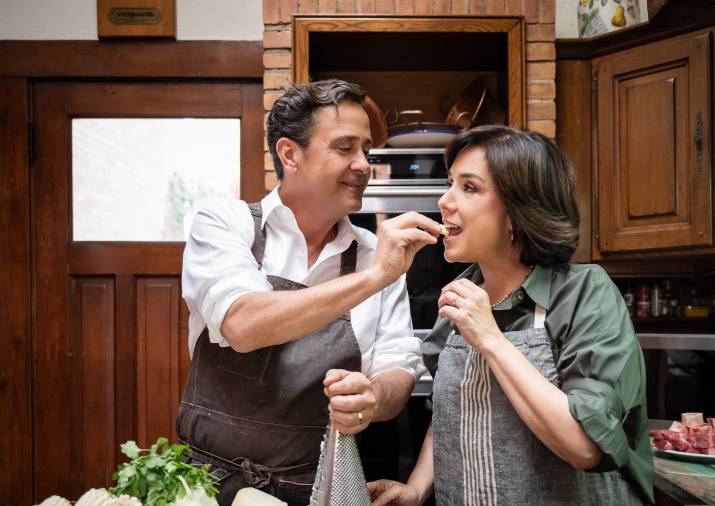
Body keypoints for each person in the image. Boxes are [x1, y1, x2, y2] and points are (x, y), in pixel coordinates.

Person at [176, 79, 441, 505]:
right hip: (205, 488)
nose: (363, 165)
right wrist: (374, 277)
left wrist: (374, 398)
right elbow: (243, 322)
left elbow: (399, 368)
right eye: (344, 148)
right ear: (289, 153)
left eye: (366, 150)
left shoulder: (375, 253)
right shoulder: (227, 223)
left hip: (317, 490)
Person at [367, 125, 654, 505]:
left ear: (518, 211)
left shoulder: (583, 293)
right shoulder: (460, 297)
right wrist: (418, 487)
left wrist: (490, 339)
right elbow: (454, 413)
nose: (443, 201)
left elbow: (585, 447)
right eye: (450, 183)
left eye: (468, 188)